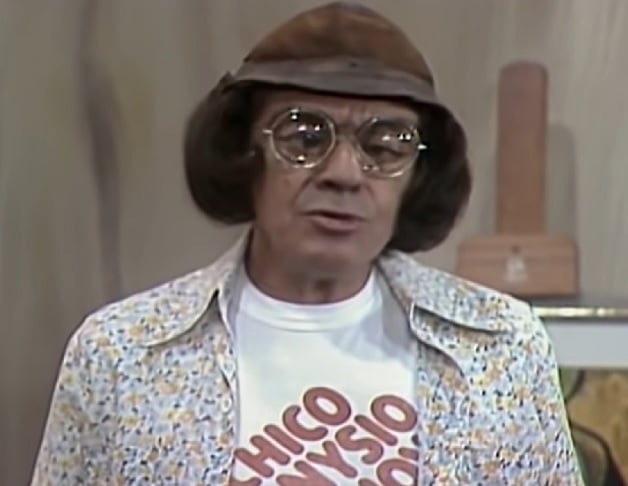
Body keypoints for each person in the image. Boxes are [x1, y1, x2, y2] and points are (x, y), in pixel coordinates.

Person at [31, 2, 584, 485]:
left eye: (385, 145)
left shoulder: (500, 351)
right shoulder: (120, 356)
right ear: (244, 154)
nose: (344, 173)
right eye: (304, 137)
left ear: (419, 175)